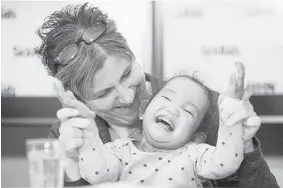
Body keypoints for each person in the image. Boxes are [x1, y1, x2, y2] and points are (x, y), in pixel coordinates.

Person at [36, 3, 279, 187]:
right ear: (79, 98)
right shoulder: (70, 135)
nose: (129, 98)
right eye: (105, 93)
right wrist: (72, 164)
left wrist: (243, 143)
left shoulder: (207, 106)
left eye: (127, 73)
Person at [76, 72, 258, 187]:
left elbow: (226, 163)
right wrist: (88, 135)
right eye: (167, 99)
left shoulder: (194, 155)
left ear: (196, 137)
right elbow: (96, 174)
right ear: (143, 110)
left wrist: (230, 120)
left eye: (188, 111)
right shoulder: (119, 151)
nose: (173, 110)